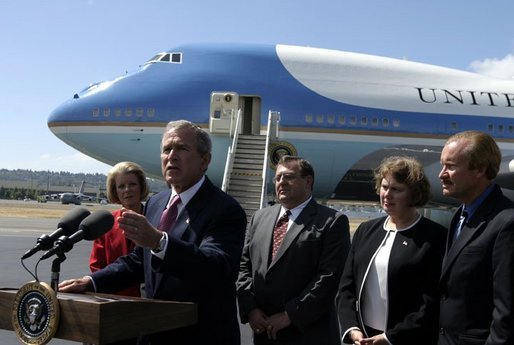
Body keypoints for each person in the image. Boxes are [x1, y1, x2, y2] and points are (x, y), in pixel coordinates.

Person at [59, 120, 247, 345]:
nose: (172, 156)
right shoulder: (157, 203)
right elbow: (139, 261)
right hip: (154, 332)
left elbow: (216, 266)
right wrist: (92, 282)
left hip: (201, 335)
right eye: (167, 149)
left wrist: (160, 242)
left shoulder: (225, 209)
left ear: (204, 160)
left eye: (182, 148)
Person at [237, 155, 351, 345]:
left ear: (308, 181)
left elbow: (329, 277)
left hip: (307, 333)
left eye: (288, 177)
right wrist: (250, 309)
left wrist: (290, 314)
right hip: (263, 331)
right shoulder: (260, 217)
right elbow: (244, 266)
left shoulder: (332, 221)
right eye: (278, 177)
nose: (281, 182)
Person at [337, 156, 447, 345]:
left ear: (414, 194)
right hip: (363, 337)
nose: (387, 194)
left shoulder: (435, 237)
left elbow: (431, 302)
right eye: (385, 187)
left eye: (396, 189)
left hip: (407, 339)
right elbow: (346, 287)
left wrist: (391, 338)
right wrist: (351, 328)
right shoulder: (365, 230)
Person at [438, 130, 514, 345]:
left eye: (451, 167)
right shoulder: (460, 215)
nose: (441, 174)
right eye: (443, 165)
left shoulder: (506, 223)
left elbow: (506, 311)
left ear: (480, 169)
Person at [89, 161, 149, 298]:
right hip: (115, 299)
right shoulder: (105, 223)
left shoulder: (156, 217)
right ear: (115, 191)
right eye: (121, 186)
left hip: (151, 301)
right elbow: (97, 266)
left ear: (141, 187)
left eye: (132, 184)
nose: (127, 190)